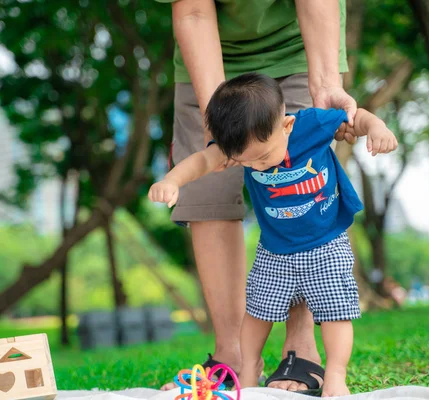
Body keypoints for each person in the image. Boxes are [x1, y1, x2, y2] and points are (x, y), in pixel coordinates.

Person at [149, 73, 398, 396]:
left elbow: (356, 117)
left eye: (264, 157)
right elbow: (202, 160)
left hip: (326, 243)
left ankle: (335, 376)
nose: (258, 166)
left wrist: (377, 128)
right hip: (274, 251)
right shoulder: (241, 146)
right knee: (257, 313)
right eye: (246, 162)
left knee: (336, 313)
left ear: (286, 126)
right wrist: (172, 181)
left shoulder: (310, 125)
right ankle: (249, 370)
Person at [155, 0, 358, 392]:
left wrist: (327, 84)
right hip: (210, 55)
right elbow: (193, 11)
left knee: (299, 194)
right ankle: (232, 356)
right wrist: (211, 130)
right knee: (209, 193)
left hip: (299, 46)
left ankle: (300, 350)